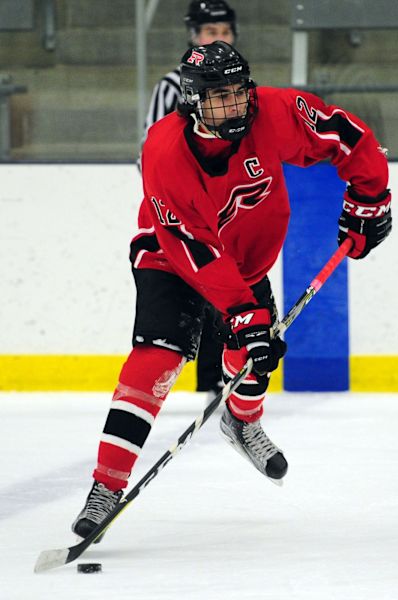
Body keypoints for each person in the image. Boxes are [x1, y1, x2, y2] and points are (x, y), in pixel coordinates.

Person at [72, 41, 392, 540]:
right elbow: (194, 249)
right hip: (171, 255)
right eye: (219, 97)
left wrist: (369, 198)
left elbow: (347, 136)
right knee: (158, 358)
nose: (234, 106)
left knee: (254, 355)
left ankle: (241, 423)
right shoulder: (163, 149)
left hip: (243, 260)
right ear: (194, 101)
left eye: (239, 93)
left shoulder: (277, 111)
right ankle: (107, 485)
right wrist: (244, 310)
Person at [141, 0, 238, 402]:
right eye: (210, 33)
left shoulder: (240, 89)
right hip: (179, 212)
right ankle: (173, 377)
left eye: (226, 32)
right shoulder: (171, 86)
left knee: (228, 288)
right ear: (194, 37)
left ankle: (216, 378)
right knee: (184, 289)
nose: (220, 39)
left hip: (225, 213)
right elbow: (148, 152)